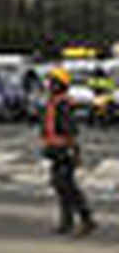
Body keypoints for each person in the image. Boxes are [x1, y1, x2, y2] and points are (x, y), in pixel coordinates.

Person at [41, 65, 95, 236]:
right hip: (56, 150)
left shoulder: (63, 103)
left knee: (69, 187)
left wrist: (71, 151)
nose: (48, 85)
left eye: (51, 82)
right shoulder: (54, 102)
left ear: (59, 84)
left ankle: (87, 220)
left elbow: (71, 130)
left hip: (64, 150)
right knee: (60, 186)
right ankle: (67, 222)